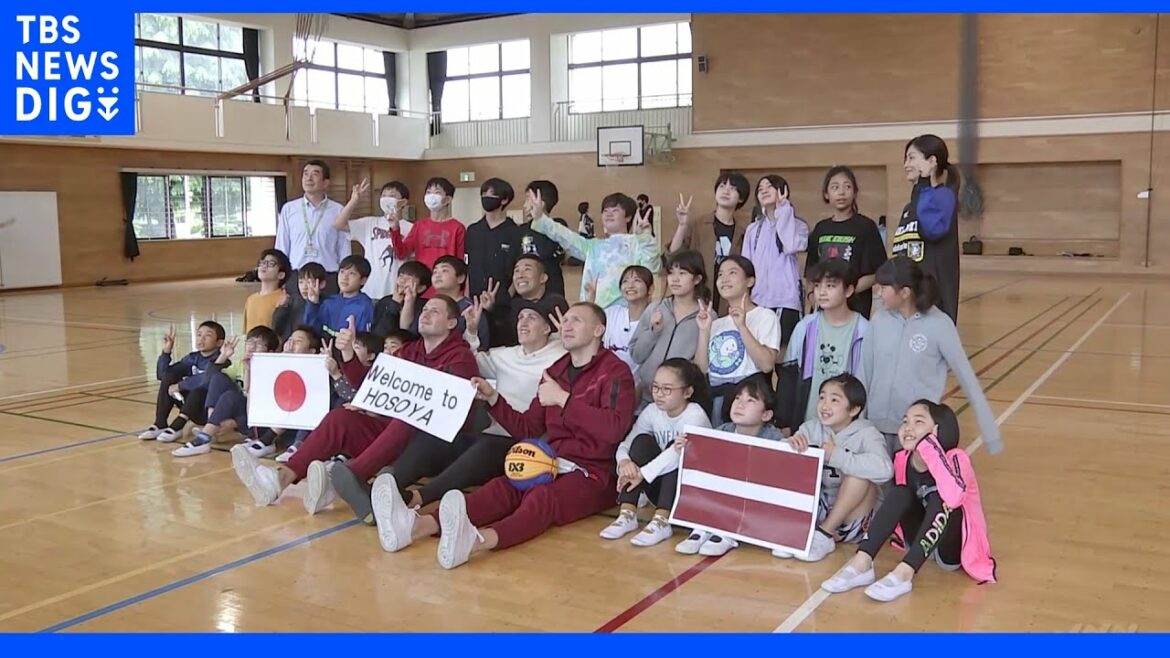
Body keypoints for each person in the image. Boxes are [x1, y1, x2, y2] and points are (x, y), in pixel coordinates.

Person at [365, 302, 636, 570]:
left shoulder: (615, 371)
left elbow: (614, 429)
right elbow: (527, 430)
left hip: (594, 472)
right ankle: (414, 526)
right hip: (551, 460)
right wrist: (494, 399)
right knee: (502, 487)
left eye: (576, 320)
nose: (566, 325)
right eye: (565, 321)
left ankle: (476, 541)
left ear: (599, 329)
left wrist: (565, 401)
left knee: (541, 498)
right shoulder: (555, 371)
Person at [230, 297, 479, 519]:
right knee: (341, 417)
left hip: (432, 444)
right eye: (424, 309)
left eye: (434, 311)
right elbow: (371, 384)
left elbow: (456, 414)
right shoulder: (408, 351)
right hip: (393, 433)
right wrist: (348, 353)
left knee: (407, 416)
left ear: (451, 323)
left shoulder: (461, 357)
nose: (424, 314)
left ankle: (348, 476)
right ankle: (280, 479)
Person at [367, 296, 569, 551]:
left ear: (547, 328)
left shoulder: (560, 357)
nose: (522, 322)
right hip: (492, 431)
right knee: (436, 436)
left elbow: (581, 357)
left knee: (485, 448)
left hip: (524, 441)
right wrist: (472, 331)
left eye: (531, 317)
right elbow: (472, 359)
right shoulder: (504, 355)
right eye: (520, 317)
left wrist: (567, 338)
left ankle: (413, 499)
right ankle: (389, 491)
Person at [821, 400, 996, 602]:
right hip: (917, 543)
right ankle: (862, 563)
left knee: (943, 498)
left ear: (936, 430)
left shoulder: (957, 458)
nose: (908, 428)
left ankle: (904, 573)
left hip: (949, 548)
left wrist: (930, 448)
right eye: (905, 421)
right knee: (900, 492)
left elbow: (954, 497)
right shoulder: (903, 458)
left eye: (918, 422)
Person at [857, 257, 1002, 455]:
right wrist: (857, 425)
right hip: (874, 430)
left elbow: (967, 379)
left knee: (903, 485)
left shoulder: (940, 325)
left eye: (884, 287)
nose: (878, 292)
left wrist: (990, 433)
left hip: (914, 434)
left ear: (905, 292)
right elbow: (863, 374)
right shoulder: (879, 320)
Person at [599, 359, 711, 547]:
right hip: (658, 485)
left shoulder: (695, 415)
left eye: (667, 389)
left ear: (688, 392)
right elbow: (627, 443)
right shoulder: (652, 411)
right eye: (655, 387)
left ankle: (662, 520)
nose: (659, 394)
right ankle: (627, 513)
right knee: (641, 441)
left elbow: (676, 456)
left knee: (674, 447)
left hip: (689, 493)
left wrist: (641, 474)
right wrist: (624, 463)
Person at [782, 374, 892, 561]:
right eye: (822, 397)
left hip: (853, 518)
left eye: (834, 400)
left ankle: (824, 534)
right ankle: (799, 532)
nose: (825, 405)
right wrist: (788, 444)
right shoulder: (810, 428)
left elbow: (885, 470)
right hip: (819, 510)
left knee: (858, 476)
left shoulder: (867, 433)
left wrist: (837, 456)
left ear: (854, 409)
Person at [674, 376, 781, 557]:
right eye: (738, 398)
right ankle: (703, 527)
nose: (739, 404)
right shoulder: (722, 432)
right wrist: (684, 449)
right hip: (718, 501)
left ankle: (727, 533)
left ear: (766, 415)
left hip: (750, 506)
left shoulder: (774, 439)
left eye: (750, 400)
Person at [776, 258, 868, 430]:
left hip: (846, 428)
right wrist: (784, 422)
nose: (822, 292)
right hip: (806, 425)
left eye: (830, 286)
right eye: (818, 286)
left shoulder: (865, 330)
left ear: (849, 290)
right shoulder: (805, 326)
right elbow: (788, 375)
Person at [531, 191, 661, 310]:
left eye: (615, 210)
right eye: (605, 211)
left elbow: (652, 267)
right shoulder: (593, 246)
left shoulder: (636, 243)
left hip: (627, 313)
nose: (609, 214)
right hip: (593, 313)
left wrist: (645, 238)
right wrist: (541, 219)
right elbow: (566, 236)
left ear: (628, 217)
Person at [695, 256, 781, 426]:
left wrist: (742, 326)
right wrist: (704, 331)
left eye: (732, 273)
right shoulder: (717, 322)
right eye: (720, 275)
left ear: (750, 281)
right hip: (716, 400)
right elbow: (701, 370)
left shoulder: (765, 316)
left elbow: (766, 365)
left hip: (748, 401)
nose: (724, 279)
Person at [170, 326, 281, 458]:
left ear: (270, 351)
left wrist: (249, 370)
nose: (252, 347)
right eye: (250, 342)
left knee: (230, 396)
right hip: (241, 414)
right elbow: (209, 378)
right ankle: (210, 427)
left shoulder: (274, 370)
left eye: (258, 344)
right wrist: (223, 355)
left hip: (257, 420)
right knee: (218, 378)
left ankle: (206, 435)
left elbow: (253, 398)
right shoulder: (240, 364)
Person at [892, 135, 962, 324]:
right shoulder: (910, 206)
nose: (906, 164)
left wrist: (924, 183)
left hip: (931, 303)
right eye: (905, 158)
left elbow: (933, 229)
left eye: (912, 157)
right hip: (906, 299)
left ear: (931, 162)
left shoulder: (943, 197)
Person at [628, 250, 707, 409]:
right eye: (671, 273)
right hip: (646, 398)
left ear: (697, 279)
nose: (675, 279)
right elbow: (636, 355)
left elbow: (702, 369)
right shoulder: (655, 308)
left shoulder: (707, 316)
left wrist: (704, 330)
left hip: (680, 402)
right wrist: (653, 332)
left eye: (682, 273)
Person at [805, 166, 887, 318]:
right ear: (826, 194)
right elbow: (811, 271)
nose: (841, 192)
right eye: (835, 187)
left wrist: (844, 292)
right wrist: (812, 295)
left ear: (855, 192)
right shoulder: (820, 228)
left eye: (847, 187)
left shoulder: (866, 227)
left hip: (855, 308)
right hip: (823, 311)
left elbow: (878, 271)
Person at [667, 173, 751, 315]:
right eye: (722, 186)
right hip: (697, 298)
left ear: (741, 198)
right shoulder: (699, 224)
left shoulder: (744, 232)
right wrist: (682, 225)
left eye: (733, 188)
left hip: (728, 301)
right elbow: (673, 256)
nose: (726, 191)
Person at [743, 175, 808, 348]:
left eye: (769, 186)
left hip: (786, 301)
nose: (763, 190)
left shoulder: (799, 225)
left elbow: (790, 245)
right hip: (758, 301)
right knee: (758, 354)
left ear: (782, 190)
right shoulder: (753, 229)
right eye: (760, 188)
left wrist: (784, 209)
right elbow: (745, 266)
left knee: (785, 359)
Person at [139, 321, 226, 443]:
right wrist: (166, 351)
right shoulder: (192, 358)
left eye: (208, 336)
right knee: (170, 376)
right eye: (199, 334)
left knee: (199, 390)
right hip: (189, 405)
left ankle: (178, 425)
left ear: (219, 342)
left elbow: (207, 379)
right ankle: (160, 423)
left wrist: (181, 385)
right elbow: (163, 375)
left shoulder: (222, 361)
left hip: (207, 409)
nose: (201, 339)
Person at [275, 160, 350, 298]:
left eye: (315, 174)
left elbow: (344, 247)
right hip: (296, 275)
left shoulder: (338, 210)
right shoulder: (289, 209)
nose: (308, 178)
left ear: (326, 182)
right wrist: (280, 279)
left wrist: (344, 279)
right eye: (305, 174)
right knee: (298, 318)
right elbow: (281, 245)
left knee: (327, 318)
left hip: (328, 276)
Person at [333, 179, 413, 300]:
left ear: (403, 202)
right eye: (384, 195)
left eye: (391, 196)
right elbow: (339, 225)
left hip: (396, 292)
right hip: (370, 290)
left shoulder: (410, 228)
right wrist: (354, 200)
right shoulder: (370, 223)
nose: (386, 199)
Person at [465, 178, 522, 346]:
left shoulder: (515, 232)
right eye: (483, 195)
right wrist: (467, 297)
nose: (486, 198)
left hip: (503, 305)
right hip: (474, 302)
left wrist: (506, 295)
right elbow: (468, 265)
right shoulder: (473, 230)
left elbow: (517, 269)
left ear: (504, 199)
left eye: (491, 195)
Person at [389, 176, 465, 273]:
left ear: (448, 199)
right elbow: (402, 253)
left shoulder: (457, 228)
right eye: (428, 192)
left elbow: (460, 262)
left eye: (437, 192)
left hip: (447, 281)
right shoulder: (419, 225)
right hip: (423, 279)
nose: (431, 196)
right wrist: (395, 229)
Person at [598, 265, 653, 384]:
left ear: (651, 289)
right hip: (606, 384)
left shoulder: (655, 319)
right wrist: (590, 297)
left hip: (640, 389)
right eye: (625, 281)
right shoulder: (612, 313)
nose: (630, 285)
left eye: (637, 280)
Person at [305, 255, 375, 338]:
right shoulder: (329, 302)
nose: (345, 277)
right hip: (323, 349)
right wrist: (313, 303)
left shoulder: (365, 306)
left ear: (363, 280)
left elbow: (363, 341)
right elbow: (312, 331)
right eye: (342, 272)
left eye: (351, 273)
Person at [517, 180, 567, 297]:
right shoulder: (522, 229)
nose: (524, 205)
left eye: (528, 199)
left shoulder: (557, 227)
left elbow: (546, 251)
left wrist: (539, 220)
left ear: (541, 202)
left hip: (551, 288)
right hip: (527, 290)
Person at [431, 255, 490, 348]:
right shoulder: (429, 305)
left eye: (444, 270)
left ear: (460, 278)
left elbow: (482, 347)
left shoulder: (471, 309)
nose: (437, 275)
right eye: (435, 272)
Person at [372, 261, 430, 338]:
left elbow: (408, 335)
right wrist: (394, 303)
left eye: (408, 278)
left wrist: (409, 302)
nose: (402, 281)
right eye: (401, 276)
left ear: (420, 288)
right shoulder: (385, 302)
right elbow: (378, 335)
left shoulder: (426, 306)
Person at [271, 262, 326, 342]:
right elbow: (276, 328)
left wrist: (313, 304)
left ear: (322, 284)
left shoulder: (326, 304)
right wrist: (282, 308)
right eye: (301, 282)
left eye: (309, 282)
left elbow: (314, 331)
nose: (304, 287)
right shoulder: (292, 301)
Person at [244, 249, 290, 333]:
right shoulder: (251, 299)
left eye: (271, 264)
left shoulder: (283, 299)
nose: (264, 266)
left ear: (281, 275)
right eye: (262, 263)